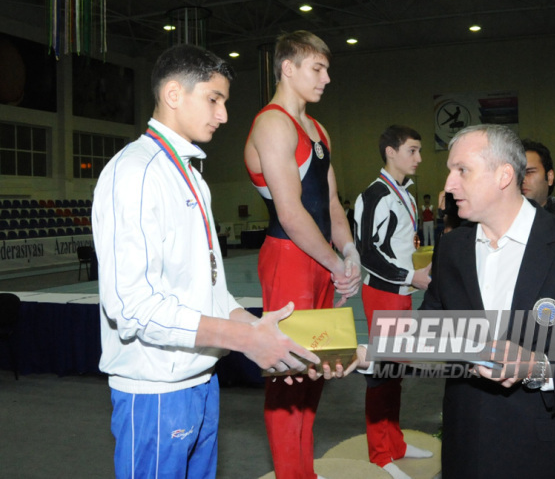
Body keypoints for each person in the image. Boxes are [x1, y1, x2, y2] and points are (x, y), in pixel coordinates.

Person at [92, 44, 323, 479]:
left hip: (201, 379)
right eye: (214, 100)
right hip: (156, 391)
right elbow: (131, 306)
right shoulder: (136, 173)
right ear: (174, 94)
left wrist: (257, 329)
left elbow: (211, 290)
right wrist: (245, 339)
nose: (223, 115)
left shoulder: (193, 177)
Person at [420, 124, 555, 479]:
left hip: (543, 455)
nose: (448, 184)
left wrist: (538, 368)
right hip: (465, 450)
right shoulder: (452, 248)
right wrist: (361, 356)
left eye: (461, 170)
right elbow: (429, 329)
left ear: (504, 175)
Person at [244, 30, 362, 479]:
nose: (327, 78)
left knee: (318, 369)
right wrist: (335, 263)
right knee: (288, 374)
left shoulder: (317, 129)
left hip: (320, 259)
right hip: (290, 256)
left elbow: (331, 204)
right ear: (288, 68)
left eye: (327, 69)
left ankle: (302, 471)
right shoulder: (271, 124)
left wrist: (349, 254)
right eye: (318, 68)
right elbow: (292, 213)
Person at [354, 125, 433, 479]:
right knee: (381, 374)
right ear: (391, 152)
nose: (418, 158)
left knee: (395, 371)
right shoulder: (375, 195)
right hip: (384, 292)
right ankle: (379, 453)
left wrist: (418, 268)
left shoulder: (407, 194)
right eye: (412, 151)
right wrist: (409, 276)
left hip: (401, 292)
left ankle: (396, 443)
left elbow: (399, 246)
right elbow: (366, 253)